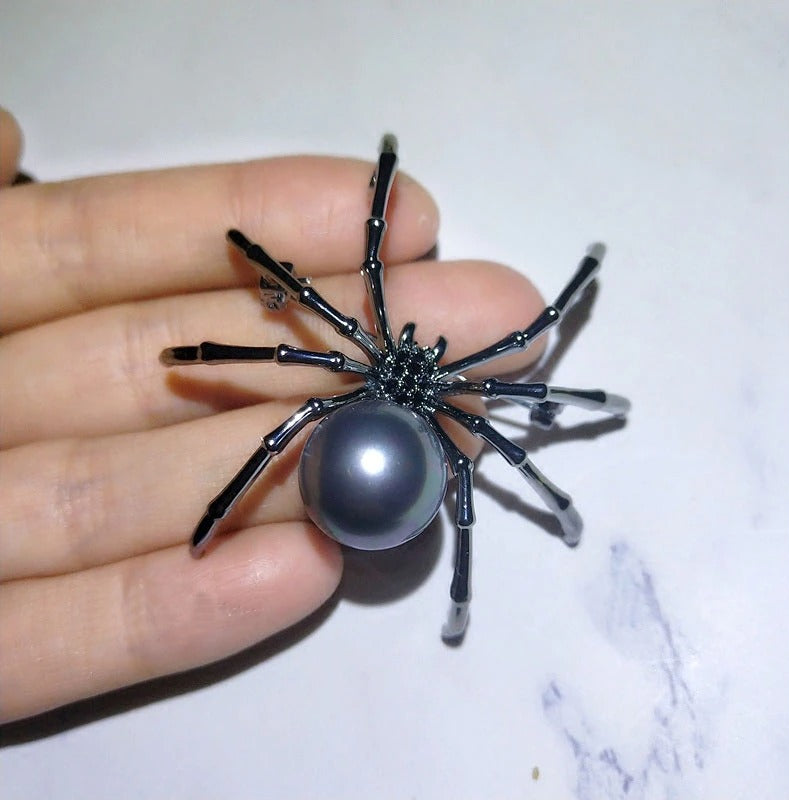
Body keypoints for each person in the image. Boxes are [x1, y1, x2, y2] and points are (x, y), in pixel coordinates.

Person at [0, 109, 543, 722]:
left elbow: (311, 314)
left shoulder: (366, 361)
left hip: (373, 448)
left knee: (300, 374)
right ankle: (459, 601)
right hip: (383, 453)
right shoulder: (450, 405)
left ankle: (217, 513)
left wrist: (253, 263)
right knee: (448, 450)